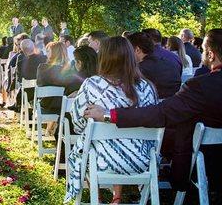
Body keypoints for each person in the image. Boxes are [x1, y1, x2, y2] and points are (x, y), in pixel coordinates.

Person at [85, 29, 222, 204]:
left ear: (210, 54)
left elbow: (160, 113)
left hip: (206, 169)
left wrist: (109, 115)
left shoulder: (199, 86)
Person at [65, 36, 158, 204]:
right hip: (142, 161)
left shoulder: (92, 85)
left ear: (104, 58)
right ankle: (115, 197)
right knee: (117, 143)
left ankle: (98, 197)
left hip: (101, 162)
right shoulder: (147, 87)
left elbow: (77, 125)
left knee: (87, 145)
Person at [128, 32, 181, 99]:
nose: (127, 53)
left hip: (154, 106)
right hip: (174, 103)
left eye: (128, 50)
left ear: (137, 50)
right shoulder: (169, 63)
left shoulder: (139, 70)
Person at [36, 41, 78, 114]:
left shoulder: (43, 68)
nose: (46, 54)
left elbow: (40, 85)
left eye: (48, 51)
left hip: (46, 104)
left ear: (55, 53)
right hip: (64, 105)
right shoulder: (70, 69)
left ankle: (53, 125)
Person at [8, 39, 47, 111]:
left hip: (28, 93)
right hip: (44, 92)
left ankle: (20, 105)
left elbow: (19, 80)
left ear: (23, 50)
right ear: (34, 47)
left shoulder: (20, 63)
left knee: (22, 89)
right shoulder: (45, 59)